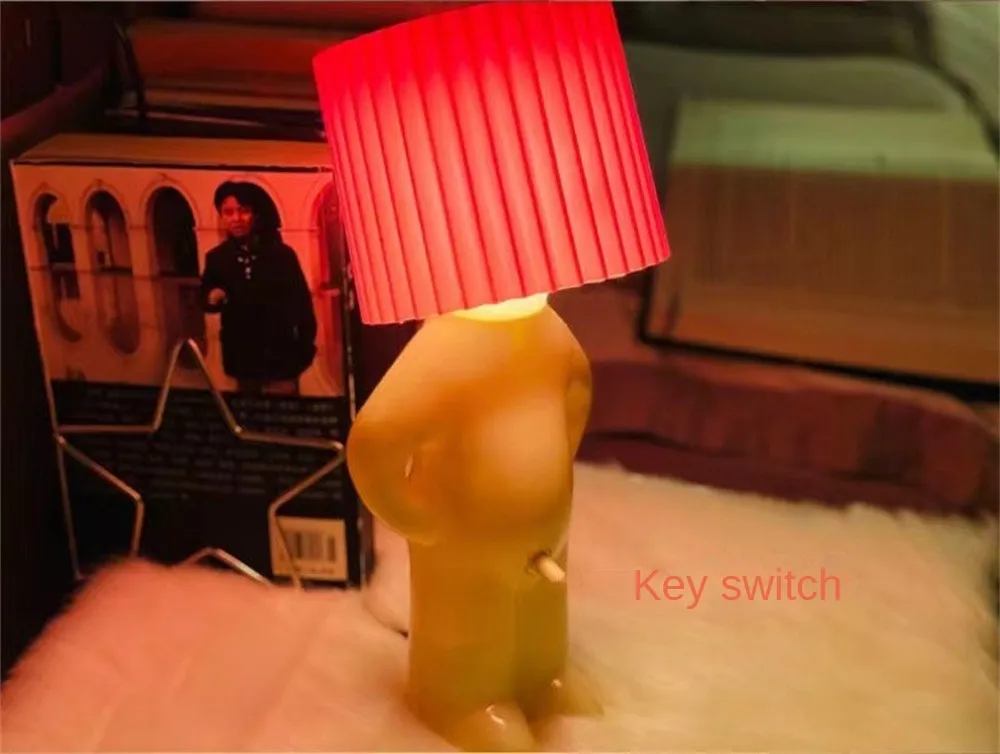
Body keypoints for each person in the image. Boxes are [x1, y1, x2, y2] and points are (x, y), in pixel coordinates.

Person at [201, 181, 317, 395]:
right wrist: (212, 297)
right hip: (242, 361)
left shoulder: (282, 256)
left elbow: (303, 306)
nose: (236, 218)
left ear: (256, 213)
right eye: (228, 212)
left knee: (283, 412)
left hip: (281, 361)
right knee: (249, 412)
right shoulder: (217, 258)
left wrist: (304, 350)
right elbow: (205, 300)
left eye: (243, 211)